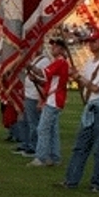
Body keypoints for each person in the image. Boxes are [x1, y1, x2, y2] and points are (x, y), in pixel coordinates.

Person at [57, 30, 99, 191]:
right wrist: (75, 76)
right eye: (90, 41)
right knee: (81, 146)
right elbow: (85, 83)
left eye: (94, 41)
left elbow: (96, 87)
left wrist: (78, 77)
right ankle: (72, 180)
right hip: (93, 106)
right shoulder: (90, 62)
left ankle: (96, 183)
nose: (90, 44)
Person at [26, 37, 69, 168]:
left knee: (43, 128)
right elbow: (47, 81)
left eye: (55, 46)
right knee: (52, 130)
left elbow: (42, 72)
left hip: (53, 100)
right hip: (54, 99)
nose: (52, 49)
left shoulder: (60, 62)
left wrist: (29, 65)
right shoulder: (60, 63)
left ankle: (41, 157)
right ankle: (54, 157)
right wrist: (37, 79)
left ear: (61, 49)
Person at [13, 47, 51, 158]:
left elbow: (44, 79)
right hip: (29, 95)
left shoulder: (44, 61)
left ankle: (34, 147)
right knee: (27, 121)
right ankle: (27, 144)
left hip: (35, 95)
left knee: (34, 123)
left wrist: (41, 98)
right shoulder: (34, 60)